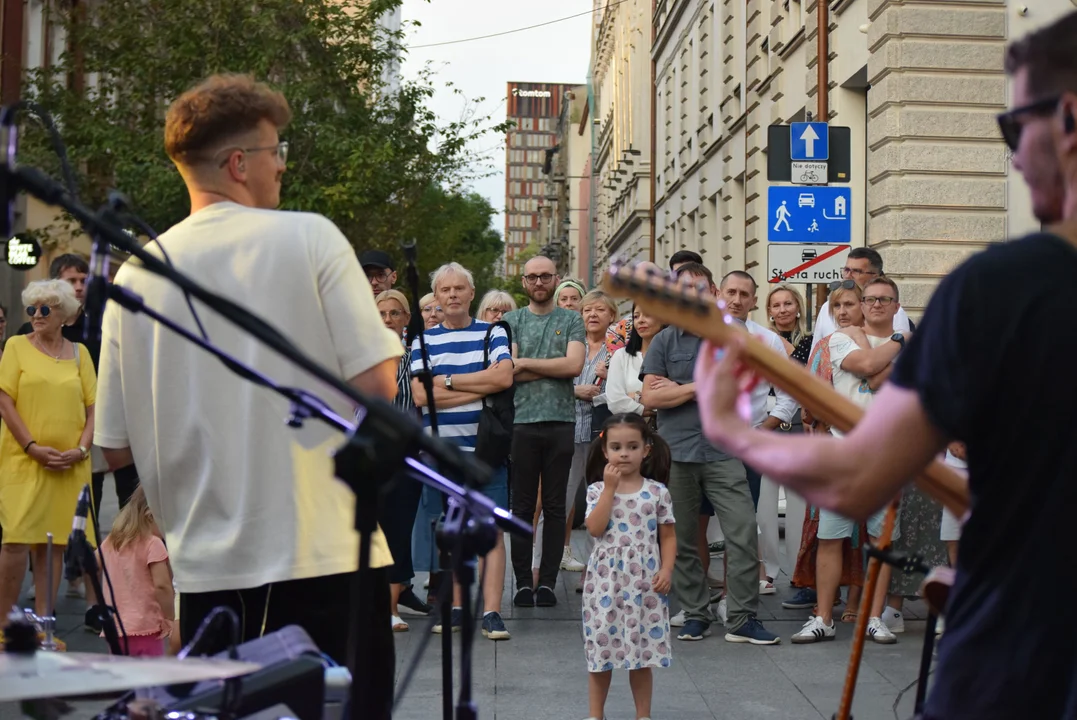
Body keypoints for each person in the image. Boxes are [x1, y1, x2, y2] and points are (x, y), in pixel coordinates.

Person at [692, 12, 1077, 716]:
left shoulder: (1000, 289)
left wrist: (734, 428)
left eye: (1013, 130)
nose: (1015, 160)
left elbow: (862, 471)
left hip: (1029, 655)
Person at [93, 74, 403, 676]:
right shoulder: (309, 237)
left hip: (205, 573)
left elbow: (114, 448)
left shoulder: (137, 276)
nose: (281, 166)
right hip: (325, 553)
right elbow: (377, 392)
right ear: (239, 162)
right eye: (276, 150)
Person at [410, 262, 514, 640]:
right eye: (444, 290)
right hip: (441, 454)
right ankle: (455, 607)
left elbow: (504, 377)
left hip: (485, 451)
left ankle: (490, 612)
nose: (452, 295)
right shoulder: (422, 339)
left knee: (492, 533)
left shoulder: (493, 332)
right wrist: (480, 387)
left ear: (472, 293)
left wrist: (449, 381)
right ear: (436, 297)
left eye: (459, 289)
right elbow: (422, 395)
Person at [0, 280, 97, 623]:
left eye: (45, 309)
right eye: (31, 309)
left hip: (69, 467)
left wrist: (82, 450)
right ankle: (1, 626)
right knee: (15, 540)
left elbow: (94, 410)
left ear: (65, 316)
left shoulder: (81, 354)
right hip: (23, 463)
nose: (36, 315)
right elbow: (5, 401)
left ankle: (44, 627)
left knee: (53, 544)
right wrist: (32, 447)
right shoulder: (15, 346)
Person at [581, 413, 675, 720]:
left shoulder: (657, 491)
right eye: (617, 446)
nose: (624, 453)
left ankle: (642, 714)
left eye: (632, 446)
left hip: (644, 583)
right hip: (605, 583)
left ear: (646, 449)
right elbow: (594, 528)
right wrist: (609, 489)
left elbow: (668, 535)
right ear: (605, 450)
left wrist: (667, 570)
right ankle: (596, 714)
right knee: (600, 652)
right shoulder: (596, 490)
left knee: (642, 654)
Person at [504, 255, 585, 608]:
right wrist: (553, 368)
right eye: (533, 277)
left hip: (561, 422)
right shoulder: (511, 320)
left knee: (554, 506)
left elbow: (575, 365)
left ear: (556, 279)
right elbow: (508, 373)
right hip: (521, 422)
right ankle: (523, 582)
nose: (539, 283)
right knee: (521, 506)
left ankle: (548, 582)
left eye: (546, 276)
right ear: (523, 282)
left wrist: (525, 363)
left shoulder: (571, 320)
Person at [374, 289, 431, 630]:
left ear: (407, 319)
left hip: (406, 457)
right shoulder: (357, 360)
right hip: (368, 456)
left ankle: (391, 608)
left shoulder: (416, 359)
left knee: (397, 532)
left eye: (395, 314)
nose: (388, 320)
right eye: (381, 314)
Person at [98, 485, 174, 657]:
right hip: (146, 627)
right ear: (150, 515)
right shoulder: (153, 543)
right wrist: (170, 617)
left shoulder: (112, 540)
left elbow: (93, 564)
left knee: (122, 677)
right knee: (149, 678)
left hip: (115, 628)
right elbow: (162, 586)